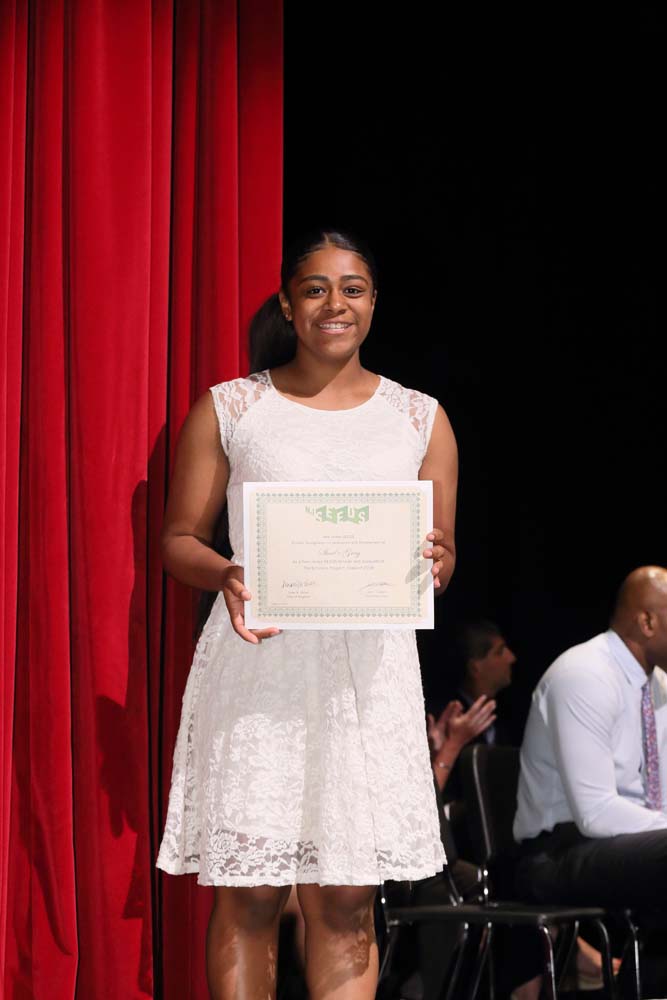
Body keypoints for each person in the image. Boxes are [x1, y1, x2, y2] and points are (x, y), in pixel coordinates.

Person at [155, 229, 458, 999]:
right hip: (260, 663)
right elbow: (178, 540)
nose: (334, 304)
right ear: (289, 306)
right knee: (252, 894)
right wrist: (227, 573)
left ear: (373, 303)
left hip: (367, 678)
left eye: (352, 288)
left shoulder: (419, 417)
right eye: (315, 288)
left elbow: (441, 554)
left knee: (347, 898)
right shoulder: (233, 406)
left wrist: (435, 560)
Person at [514, 565, 667, 992]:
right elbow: (596, 813)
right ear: (647, 621)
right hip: (556, 852)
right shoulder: (584, 673)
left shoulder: (657, 685)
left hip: (626, 843)